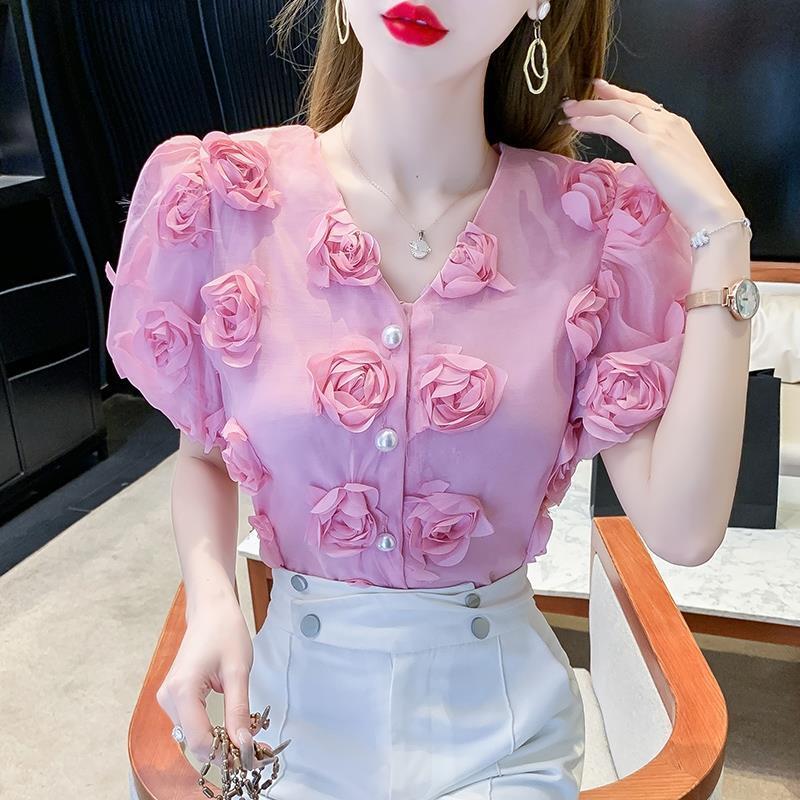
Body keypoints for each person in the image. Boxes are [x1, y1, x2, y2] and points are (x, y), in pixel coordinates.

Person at [104, 1, 754, 797]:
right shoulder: (225, 199)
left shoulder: (592, 225)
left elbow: (684, 530)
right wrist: (211, 599)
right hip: (286, 722)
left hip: (503, 734)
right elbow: (204, 455)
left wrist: (723, 236)